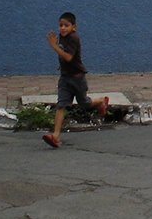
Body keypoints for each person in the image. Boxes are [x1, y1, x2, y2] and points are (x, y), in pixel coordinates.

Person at [42, 11, 108, 148]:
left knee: (84, 103)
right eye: (60, 25)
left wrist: (54, 46)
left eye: (66, 25)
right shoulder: (61, 37)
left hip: (78, 79)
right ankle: (55, 136)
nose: (63, 28)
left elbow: (68, 57)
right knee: (61, 105)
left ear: (74, 27)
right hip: (65, 79)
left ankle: (101, 101)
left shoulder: (74, 38)